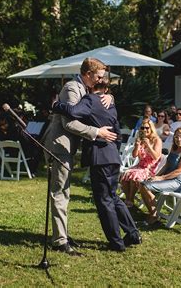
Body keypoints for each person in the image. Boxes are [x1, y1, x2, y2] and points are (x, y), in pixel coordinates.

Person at [52, 77, 141, 252]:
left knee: (104, 201)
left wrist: (56, 105)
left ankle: (116, 242)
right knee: (113, 197)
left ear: (93, 86)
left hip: (99, 158)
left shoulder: (90, 100)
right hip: (113, 157)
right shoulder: (111, 105)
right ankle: (132, 233)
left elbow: (74, 111)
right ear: (107, 89)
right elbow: (118, 135)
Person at [42, 57, 117, 255]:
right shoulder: (72, 88)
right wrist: (97, 132)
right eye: (99, 76)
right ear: (88, 74)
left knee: (64, 192)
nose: (101, 80)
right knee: (60, 193)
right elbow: (69, 124)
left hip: (68, 147)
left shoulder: (86, 89)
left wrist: (109, 97)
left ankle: (62, 234)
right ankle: (59, 241)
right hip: (60, 146)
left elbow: (95, 103)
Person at [140, 127, 181, 224]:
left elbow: (180, 171)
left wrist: (161, 178)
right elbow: (167, 165)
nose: (179, 139)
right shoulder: (174, 148)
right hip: (167, 178)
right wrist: (155, 175)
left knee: (145, 186)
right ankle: (153, 212)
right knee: (142, 183)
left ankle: (153, 215)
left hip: (177, 182)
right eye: (176, 137)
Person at [120, 119, 162, 208]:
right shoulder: (141, 139)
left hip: (149, 169)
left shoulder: (156, 140)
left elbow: (156, 156)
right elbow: (134, 155)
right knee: (124, 175)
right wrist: (137, 146)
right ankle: (129, 199)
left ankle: (130, 200)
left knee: (134, 176)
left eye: (147, 128)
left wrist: (149, 146)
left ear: (151, 129)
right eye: (142, 128)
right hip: (140, 166)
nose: (144, 129)